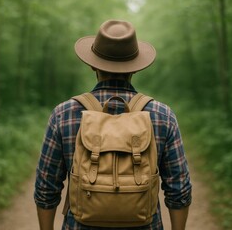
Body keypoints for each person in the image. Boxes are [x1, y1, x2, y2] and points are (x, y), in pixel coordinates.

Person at [34, 19, 192, 230]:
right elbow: (179, 189)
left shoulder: (64, 114)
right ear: (135, 68)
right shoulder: (162, 115)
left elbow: (46, 187)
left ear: (92, 64)